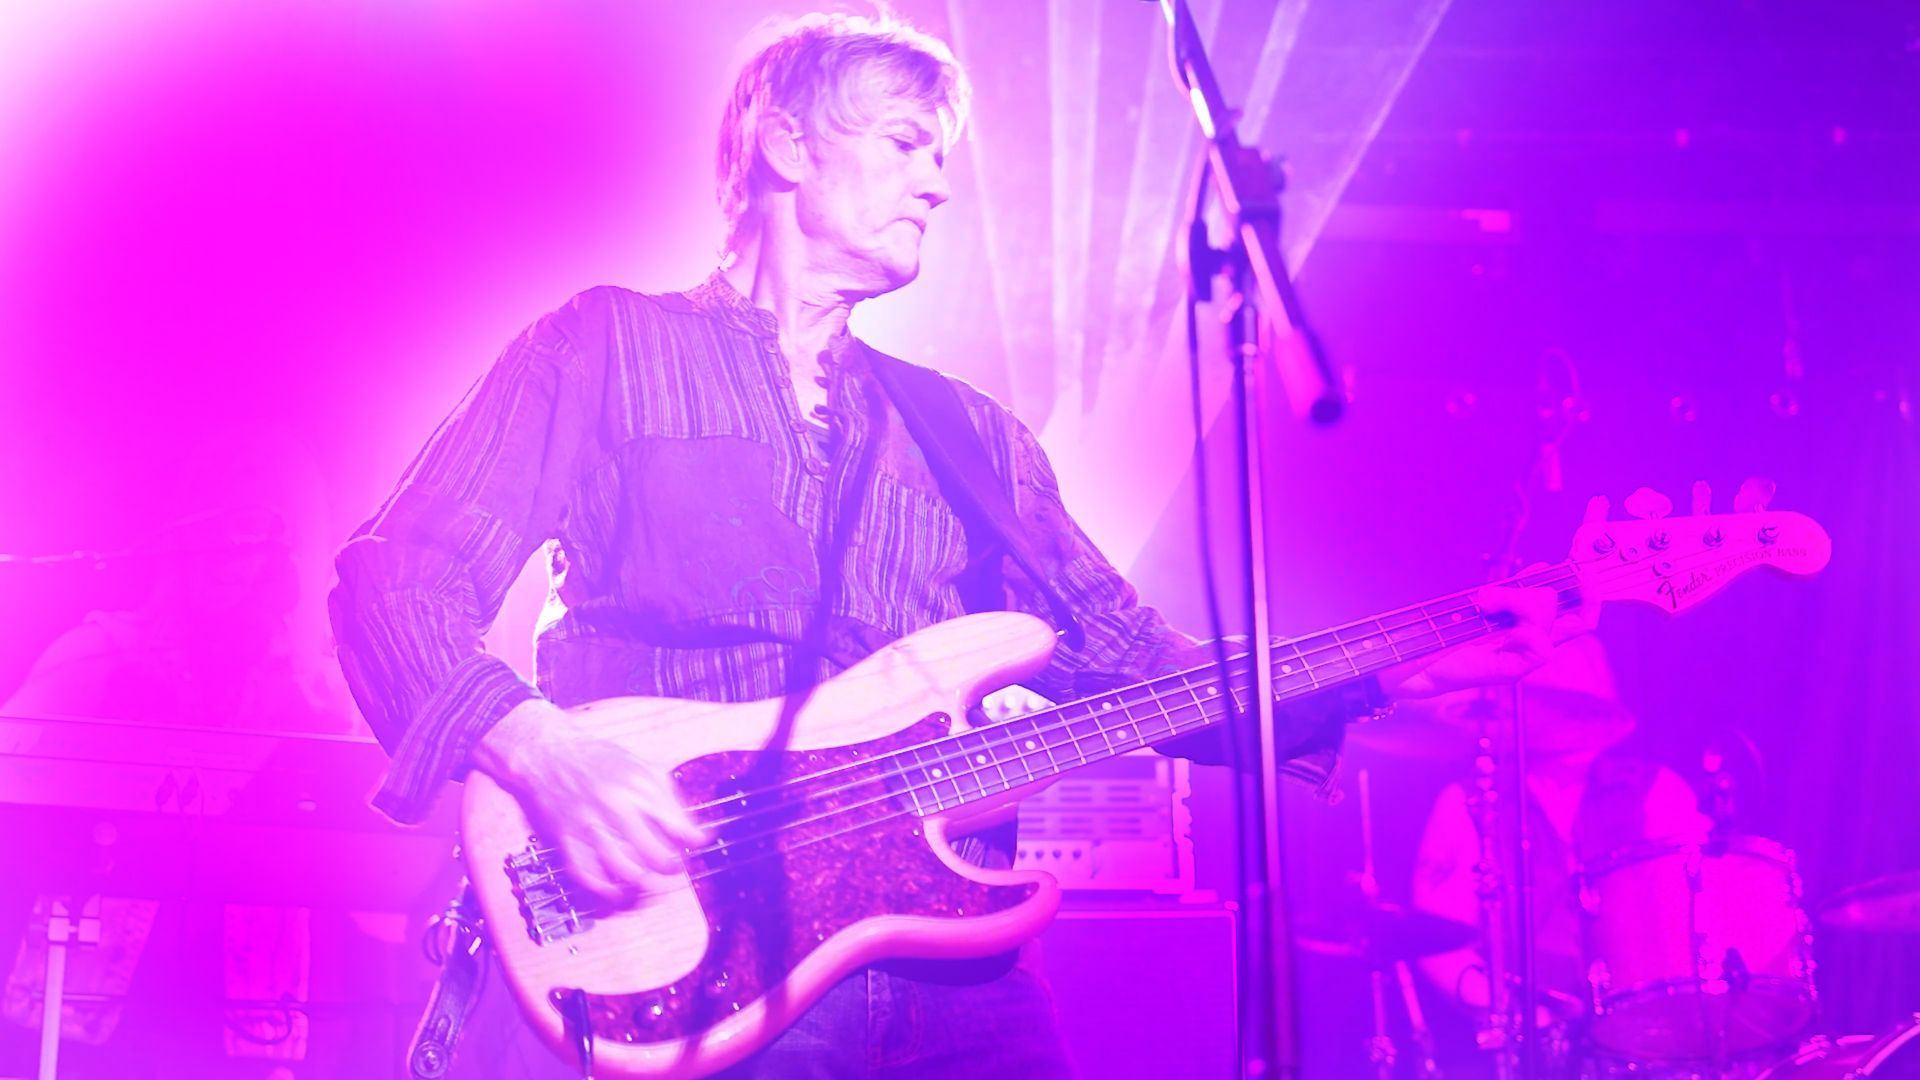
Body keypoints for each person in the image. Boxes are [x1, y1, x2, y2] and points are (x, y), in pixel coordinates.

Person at [329, 12, 1578, 1077]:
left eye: (945, 156)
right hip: (679, 932)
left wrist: (1409, 664)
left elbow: (1139, 673)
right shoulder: (604, 346)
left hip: (939, 981)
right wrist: (545, 754)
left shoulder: (969, 437)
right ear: (784, 142)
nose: (937, 179)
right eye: (905, 143)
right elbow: (397, 580)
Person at [1409, 634, 1710, 1074]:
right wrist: (1512, 1014)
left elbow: (1702, 925)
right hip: (1529, 1047)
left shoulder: (1658, 792)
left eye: (1578, 710)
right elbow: (1437, 941)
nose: (1566, 724)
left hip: (1653, 1037)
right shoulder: (1470, 803)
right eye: (1552, 708)